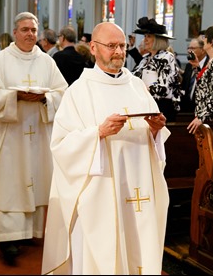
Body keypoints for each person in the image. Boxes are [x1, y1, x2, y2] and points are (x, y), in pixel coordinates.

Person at [42, 22, 170, 275]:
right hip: (99, 195)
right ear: (93, 48)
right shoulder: (79, 92)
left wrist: (156, 129)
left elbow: (154, 143)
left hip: (139, 189)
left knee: (137, 250)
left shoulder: (137, 86)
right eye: (111, 46)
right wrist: (98, 133)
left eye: (122, 46)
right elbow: (61, 145)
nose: (119, 52)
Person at [0, 12, 68, 265]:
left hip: (38, 133)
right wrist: (13, 96)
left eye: (33, 30)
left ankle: (28, 231)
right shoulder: (0, 60)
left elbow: (63, 92)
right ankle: (8, 239)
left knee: (35, 179)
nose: (30, 34)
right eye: (25, 29)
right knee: (11, 181)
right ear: (15, 32)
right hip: (10, 133)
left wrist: (44, 98)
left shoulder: (47, 62)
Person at [133, 17, 183, 122]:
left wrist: (144, 89)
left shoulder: (166, 57)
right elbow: (134, 77)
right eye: (145, 36)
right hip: (147, 105)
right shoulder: (146, 58)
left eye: (149, 36)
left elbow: (165, 88)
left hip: (162, 108)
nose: (145, 39)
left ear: (158, 39)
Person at [180, 37, 209, 113]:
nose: (189, 51)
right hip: (187, 108)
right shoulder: (189, 65)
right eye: (188, 48)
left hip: (202, 107)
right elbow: (185, 86)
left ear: (202, 50)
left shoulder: (209, 65)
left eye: (192, 48)